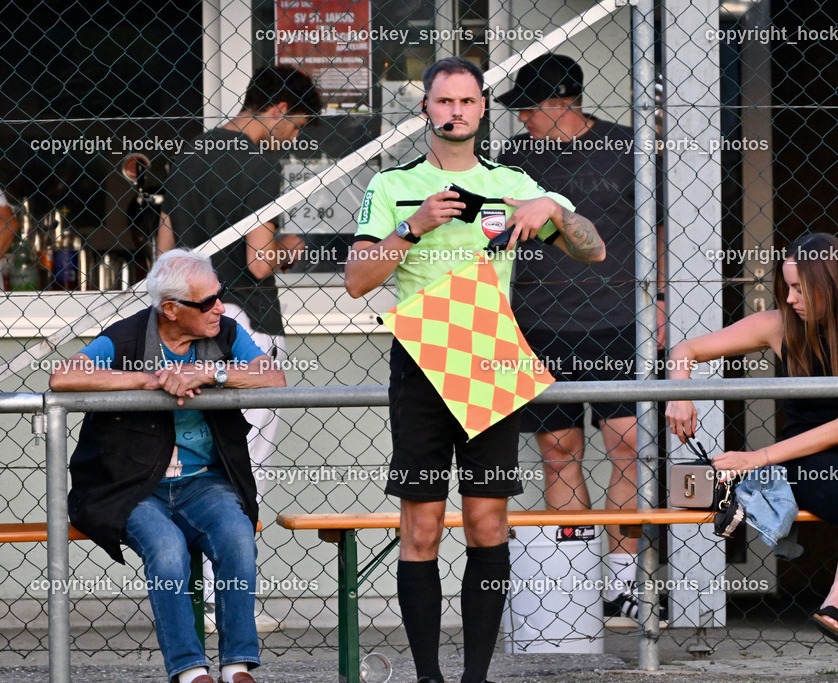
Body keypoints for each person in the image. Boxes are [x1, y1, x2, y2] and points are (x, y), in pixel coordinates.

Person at [345, 56, 605, 683]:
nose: (455, 111)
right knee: (423, 527)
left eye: (466, 101)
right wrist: (412, 226)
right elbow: (356, 280)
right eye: (444, 101)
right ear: (426, 108)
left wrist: (552, 209)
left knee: (488, 524)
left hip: (489, 354)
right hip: (422, 356)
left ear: (483, 109)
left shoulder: (512, 181)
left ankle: (476, 677)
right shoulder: (391, 185)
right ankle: (428, 678)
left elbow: (594, 249)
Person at [665, 233, 838, 683]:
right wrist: (679, 392)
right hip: (815, 465)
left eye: (799, 289)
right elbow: (685, 350)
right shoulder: (779, 325)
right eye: (786, 288)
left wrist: (757, 457)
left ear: (830, 284)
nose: (790, 299)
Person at [51, 249, 286, 683]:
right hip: (132, 486)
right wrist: (145, 379)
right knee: (166, 547)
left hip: (205, 481)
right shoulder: (127, 337)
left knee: (237, 536)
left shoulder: (225, 333)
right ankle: (190, 670)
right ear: (171, 309)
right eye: (207, 302)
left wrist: (209, 374)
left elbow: (272, 376)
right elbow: (64, 376)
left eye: (219, 295)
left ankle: (237, 665)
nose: (220, 307)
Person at [494, 53, 658, 623]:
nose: (521, 119)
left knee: (628, 446)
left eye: (528, 108)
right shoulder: (513, 158)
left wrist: (661, 301)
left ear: (561, 102)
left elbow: (662, 227)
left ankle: (622, 584)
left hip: (620, 321)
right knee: (559, 453)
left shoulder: (628, 146)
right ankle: (574, 582)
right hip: (539, 321)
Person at [158, 65, 322, 631]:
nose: (292, 139)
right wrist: (291, 246)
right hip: (245, 319)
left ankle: (196, 596)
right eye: (295, 126)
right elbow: (258, 261)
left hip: (189, 318)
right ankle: (227, 601)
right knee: (246, 462)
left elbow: (164, 248)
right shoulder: (258, 164)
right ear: (278, 110)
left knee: (197, 455)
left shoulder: (191, 153)